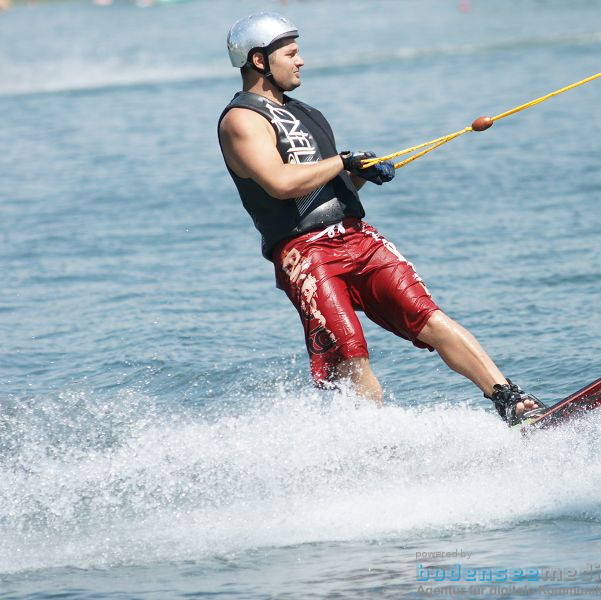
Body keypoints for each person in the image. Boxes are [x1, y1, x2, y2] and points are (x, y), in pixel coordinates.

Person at [217, 13, 545, 425]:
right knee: (351, 351)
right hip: (305, 253)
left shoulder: (309, 113)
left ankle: (512, 403)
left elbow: (328, 189)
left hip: (357, 238)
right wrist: (341, 162)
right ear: (259, 60)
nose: (301, 61)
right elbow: (281, 184)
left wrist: (358, 175)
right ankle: (376, 445)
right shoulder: (241, 120)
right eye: (292, 53)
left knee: (429, 317)